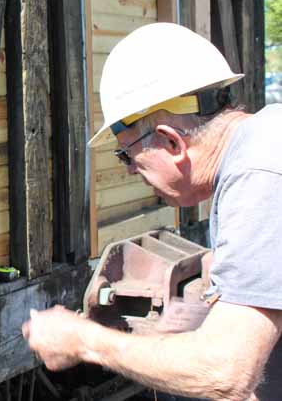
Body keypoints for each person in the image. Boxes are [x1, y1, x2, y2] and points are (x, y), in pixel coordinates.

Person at [22, 22, 282, 400]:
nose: (129, 170)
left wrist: (85, 341)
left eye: (127, 154)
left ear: (171, 142)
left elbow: (226, 373)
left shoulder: (259, 174)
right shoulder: (268, 136)